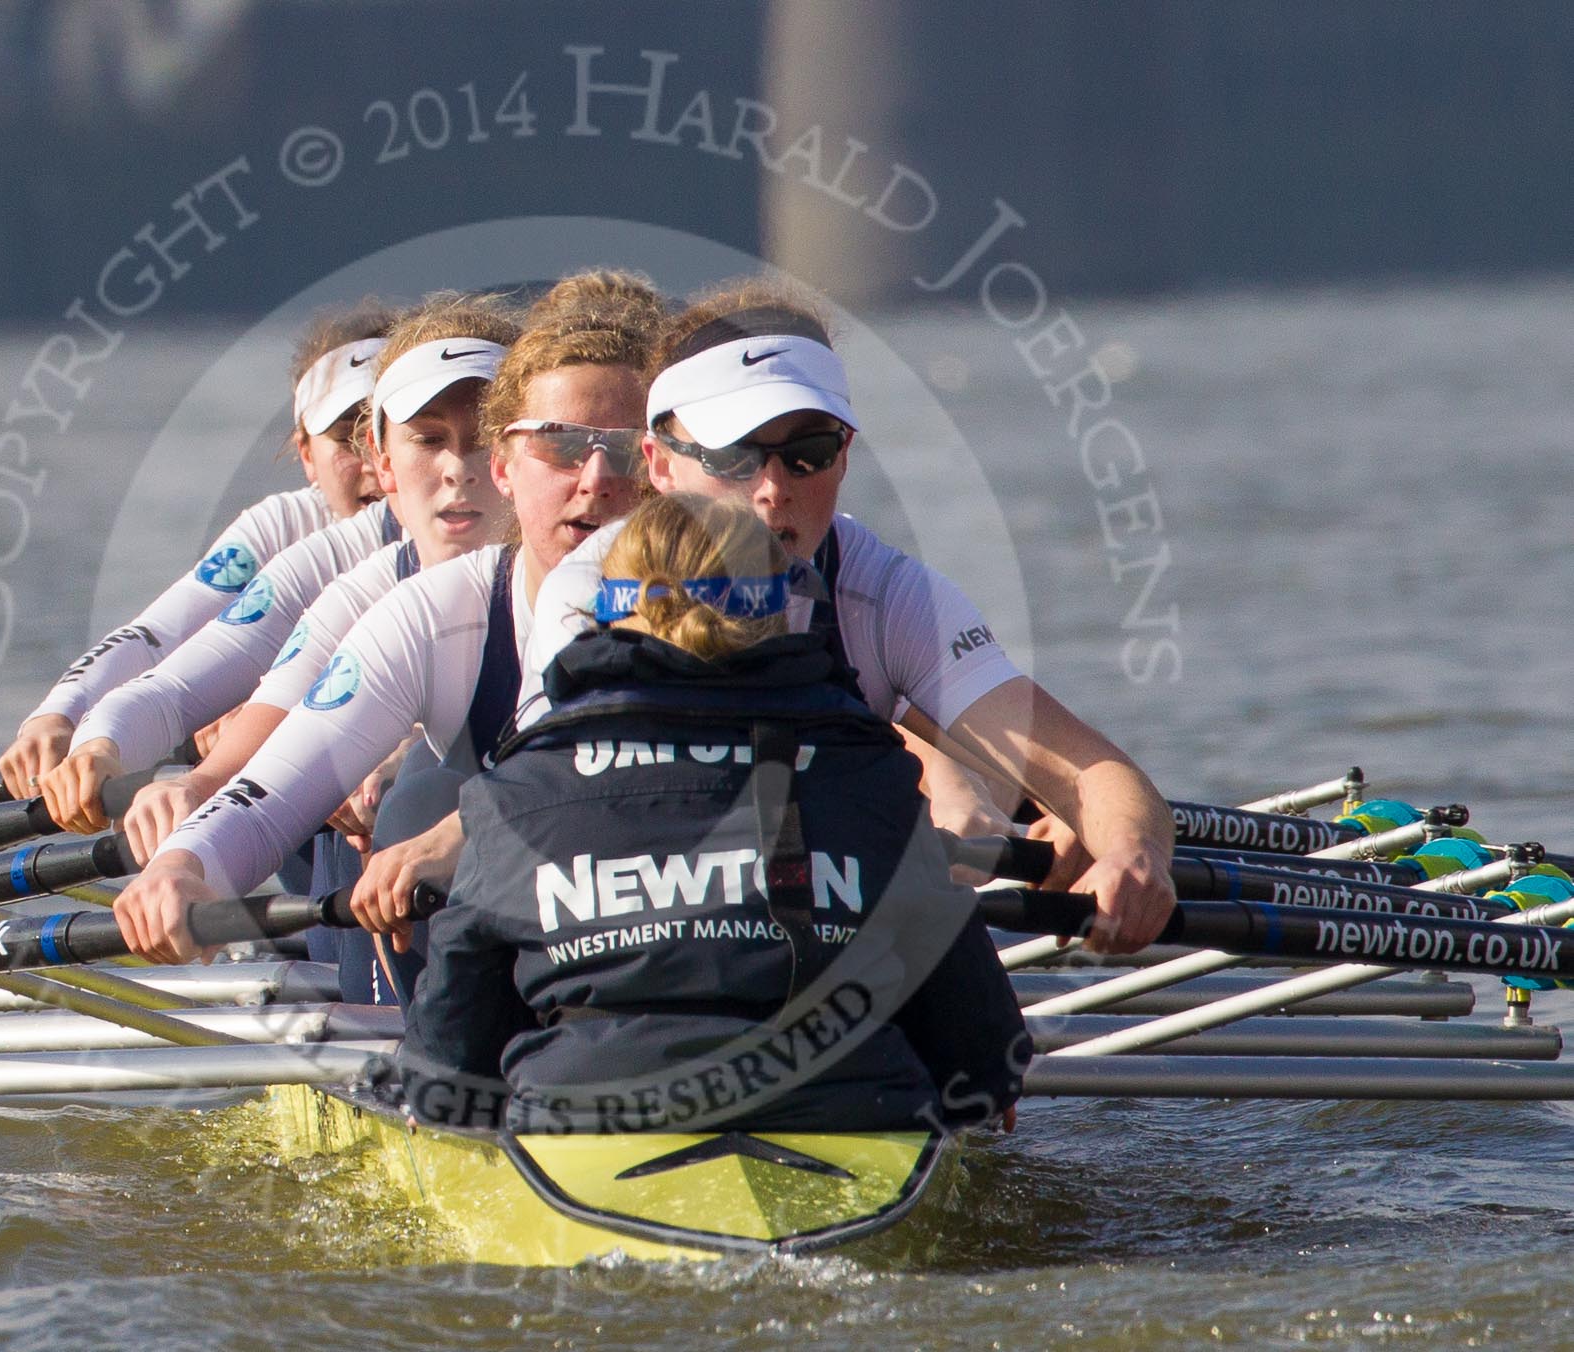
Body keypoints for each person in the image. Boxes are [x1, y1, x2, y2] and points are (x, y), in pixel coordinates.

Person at [511, 279, 1176, 954]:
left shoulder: (888, 594)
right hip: (635, 914)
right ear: (660, 464)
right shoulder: (589, 590)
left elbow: (1093, 774)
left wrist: (1130, 853)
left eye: (809, 452)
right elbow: (546, 808)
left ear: (845, 453)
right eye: (735, 454)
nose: (773, 489)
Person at [388, 495, 1031, 1134]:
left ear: (604, 614)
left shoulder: (520, 788)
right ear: (784, 614)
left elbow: (451, 1058)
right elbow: (977, 1044)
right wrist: (984, 1085)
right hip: (850, 1114)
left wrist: (436, 1093)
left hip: (589, 1124)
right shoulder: (870, 773)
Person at [111, 304, 662, 996]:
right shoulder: (428, 609)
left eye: (618, 449)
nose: (593, 482)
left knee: (424, 796)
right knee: (415, 801)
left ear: (659, 468)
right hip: (521, 955)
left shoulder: (731, 596)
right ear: (509, 465)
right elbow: (274, 785)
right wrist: (185, 865)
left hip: (664, 927)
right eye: (558, 447)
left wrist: (464, 831)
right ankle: (412, 1045)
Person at [37, 294, 520, 835]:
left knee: (410, 785)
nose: (455, 467)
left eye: (479, 438)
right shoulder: (317, 554)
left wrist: (399, 750)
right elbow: (166, 666)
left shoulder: (582, 561)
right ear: (379, 453)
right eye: (425, 438)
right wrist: (91, 739)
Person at [0, 301, 394, 799]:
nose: (374, 464)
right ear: (306, 455)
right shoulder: (284, 528)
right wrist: (59, 717)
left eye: (388, 432)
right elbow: (156, 638)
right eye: (346, 440)